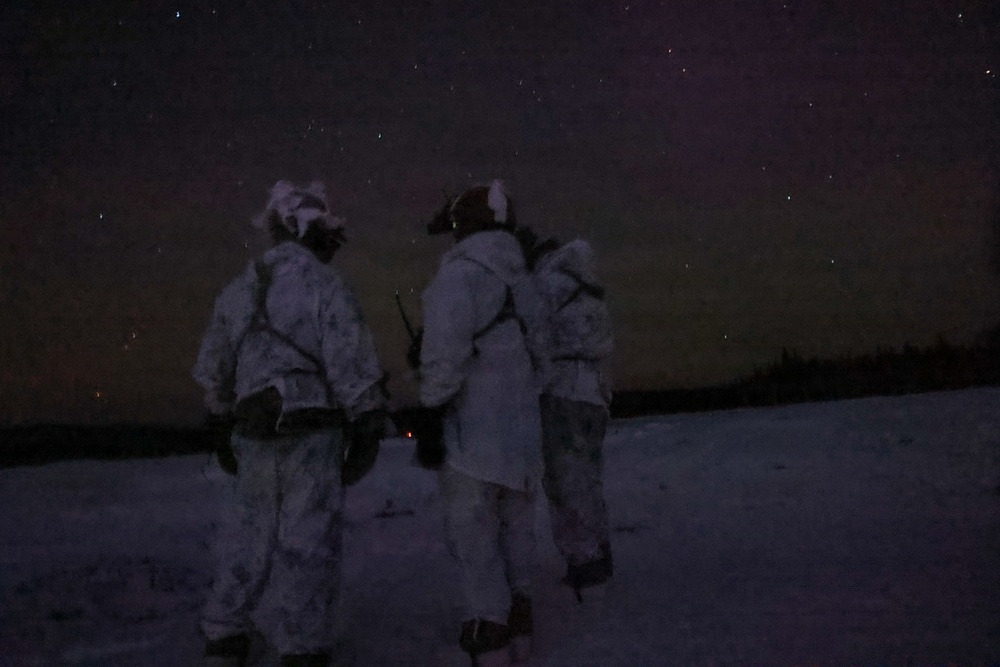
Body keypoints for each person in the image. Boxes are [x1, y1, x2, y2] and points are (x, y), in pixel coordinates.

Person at [192, 180, 388, 667]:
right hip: (312, 434)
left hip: (252, 433)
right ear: (312, 230)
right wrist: (366, 424)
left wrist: (220, 423)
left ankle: (226, 635)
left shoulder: (238, 289)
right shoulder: (326, 285)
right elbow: (352, 363)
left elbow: (213, 368)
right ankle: (301, 648)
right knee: (307, 543)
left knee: (246, 537)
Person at [415, 180, 543, 667]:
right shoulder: (524, 278)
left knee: (472, 530)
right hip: (522, 430)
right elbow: (542, 354)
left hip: (474, 431)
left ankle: (489, 630)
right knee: (516, 524)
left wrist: (429, 409)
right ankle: (521, 616)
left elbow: (445, 358)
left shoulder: (459, 276)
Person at [516, 226, 615, 602]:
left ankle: (585, 564)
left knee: (565, 481)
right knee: (587, 479)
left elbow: (534, 341)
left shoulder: (544, 285)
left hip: (562, 392)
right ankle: (598, 554)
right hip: (593, 392)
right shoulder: (580, 280)